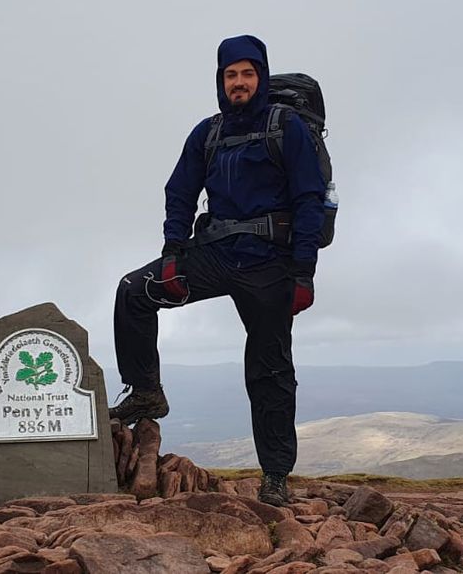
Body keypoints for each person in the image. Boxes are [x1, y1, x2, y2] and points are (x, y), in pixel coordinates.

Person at [109, 34, 327, 506]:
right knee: (134, 292)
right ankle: (146, 392)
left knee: (269, 370)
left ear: (262, 77)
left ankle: (275, 476)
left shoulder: (284, 127)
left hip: (270, 264)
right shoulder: (207, 133)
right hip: (212, 256)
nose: (240, 83)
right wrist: (171, 252)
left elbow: (310, 198)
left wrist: (304, 272)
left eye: (248, 74)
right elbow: (180, 192)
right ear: (220, 80)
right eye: (231, 75)